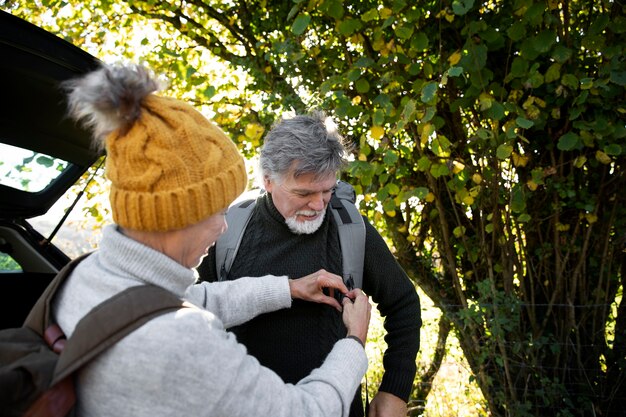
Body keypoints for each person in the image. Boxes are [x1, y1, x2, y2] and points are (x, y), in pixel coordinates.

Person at [55, 63, 372, 417]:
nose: (224, 227)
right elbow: (306, 411)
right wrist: (355, 342)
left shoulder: (85, 275)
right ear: (178, 215)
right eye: (218, 211)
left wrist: (289, 288)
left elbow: (195, 298)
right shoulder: (184, 341)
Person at [197, 111, 422, 417]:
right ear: (268, 180)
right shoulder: (227, 233)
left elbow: (404, 304)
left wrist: (395, 391)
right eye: (304, 192)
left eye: (327, 191)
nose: (318, 205)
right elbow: (188, 313)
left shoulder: (351, 231)